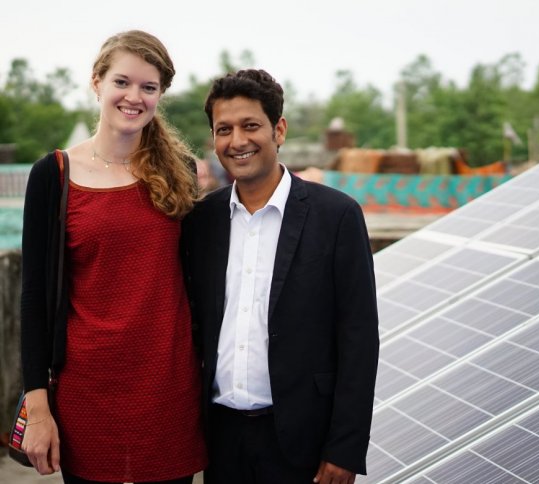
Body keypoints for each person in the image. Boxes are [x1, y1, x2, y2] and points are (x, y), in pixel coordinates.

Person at [20, 30, 207, 483]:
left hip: (169, 390)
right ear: (97, 82)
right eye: (122, 82)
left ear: (160, 95)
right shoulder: (54, 175)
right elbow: (34, 300)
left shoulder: (179, 171)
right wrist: (38, 406)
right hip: (87, 394)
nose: (134, 97)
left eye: (149, 87)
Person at [183, 69, 379, 484]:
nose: (237, 141)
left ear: (279, 130)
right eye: (224, 129)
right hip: (220, 440)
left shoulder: (337, 216)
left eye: (250, 125)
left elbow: (359, 337)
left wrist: (344, 448)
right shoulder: (201, 221)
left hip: (303, 441)